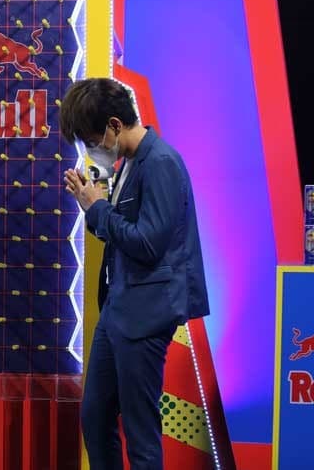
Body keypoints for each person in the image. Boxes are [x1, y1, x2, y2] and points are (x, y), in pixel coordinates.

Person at [59, 78, 209, 470]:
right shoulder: (129, 163)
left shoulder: (160, 163)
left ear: (114, 125)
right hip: (118, 308)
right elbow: (119, 234)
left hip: (147, 313)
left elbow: (147, 243)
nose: (91, 149)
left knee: (140, 432)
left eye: (92, 140)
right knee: (95, 417)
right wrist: (91, 205)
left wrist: (98, 208)